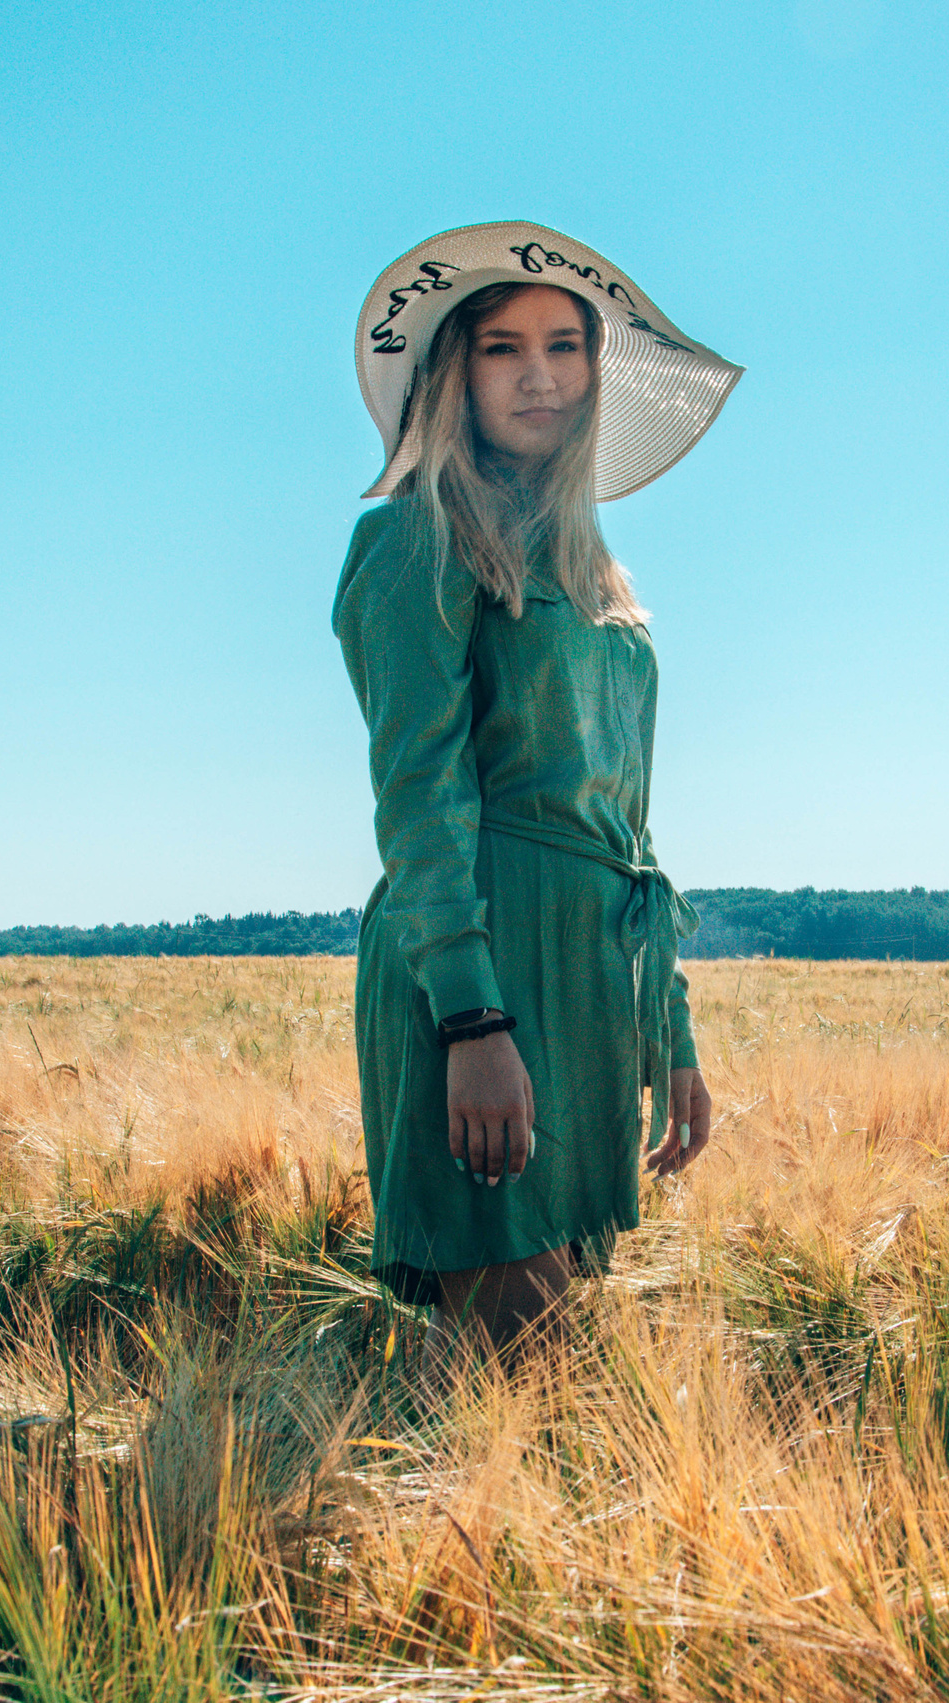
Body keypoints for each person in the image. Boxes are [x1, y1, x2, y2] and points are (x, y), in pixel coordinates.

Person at [332, 222, 744, 1356]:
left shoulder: (597, 572)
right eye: (501, 347)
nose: (540, 373)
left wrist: (670, 1023)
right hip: (486, 964)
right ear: (448, 376)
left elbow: (629, 822)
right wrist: (470, 1015)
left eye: (565, 346)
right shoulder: (414, 539)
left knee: (542, 1385)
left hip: (593, 977)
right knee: (522, 1358)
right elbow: (419, 796)